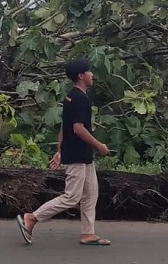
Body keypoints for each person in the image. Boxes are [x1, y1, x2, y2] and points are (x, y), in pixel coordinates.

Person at [17, 58, 111, 246]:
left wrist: (59, 151)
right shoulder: (77, 98)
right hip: (77, 154)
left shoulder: (73, 97)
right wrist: (99, 145)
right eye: (89, 72)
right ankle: (32, 218)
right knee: (72, 197)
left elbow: (64, 127)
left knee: (91, 193)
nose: (92, 75)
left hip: (81, 154)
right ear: (81, 76)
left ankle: (88, 233)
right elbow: (77, 128)